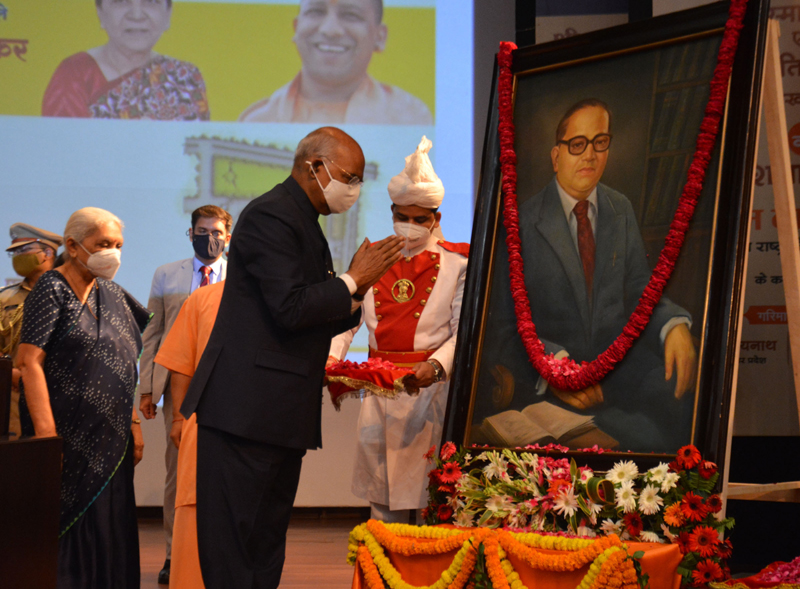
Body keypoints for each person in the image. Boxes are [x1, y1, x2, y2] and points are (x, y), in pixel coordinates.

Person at [180, 126, 404, 588]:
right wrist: (351, 280)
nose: (354, 190)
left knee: (264, 546)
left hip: (276, 413)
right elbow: (290, 307)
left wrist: (358, 289)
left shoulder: (304, 220)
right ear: (314, 167)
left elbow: (311, 317)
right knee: (236, 548)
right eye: (350, 177)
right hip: (247, 412)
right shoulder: (272, 215)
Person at [480, 98, 697, 452]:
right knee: (622, 441)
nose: (590, 155)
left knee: (677, 401)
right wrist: (556, 371)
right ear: (556, 157)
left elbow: (641, 289)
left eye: (600, 142)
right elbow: (502, 327)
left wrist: (673, 325)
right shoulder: (520, 223)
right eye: (578, 144)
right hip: (550, 381)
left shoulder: (620, 208)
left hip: (619, 370)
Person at [328, 136, 468, 523]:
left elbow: (463, 334)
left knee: (429, 502)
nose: (410, 226)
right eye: (403, 217)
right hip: (379, 392)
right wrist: (331, 359)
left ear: (436, 218)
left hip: (429, 393)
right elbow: (348, 320)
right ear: (392, 212)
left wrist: (436, 367)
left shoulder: (458, 263)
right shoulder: (372, 256)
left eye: (420, 220)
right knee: (381, 502)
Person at [16, 207, 150, 588]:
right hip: (66, 440)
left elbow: (125, 362)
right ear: (73, 246)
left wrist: (133, 422)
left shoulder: (113, 293)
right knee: (68, 536)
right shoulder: (51, 289)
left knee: (111, 531)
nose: (113, 253)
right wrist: (47, 440)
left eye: (118, 245)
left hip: (112, 441)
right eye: (103, 244)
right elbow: (29, 362)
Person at [138, 203, 231, 585]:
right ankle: (173, 554)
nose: (209, 238)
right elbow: (153, 333)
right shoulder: (166, 274)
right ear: (190, 234)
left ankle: (218, 553)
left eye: (217, 232)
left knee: (224, 471)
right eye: (202, 232)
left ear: (228, 236)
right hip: (179, 383)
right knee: (178, 472)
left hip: (226, 386)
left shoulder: (241, 277)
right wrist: (146, 387)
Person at [238, 0, 432, 125]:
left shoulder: (410, 119)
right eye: (316, 11)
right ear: (296, 28)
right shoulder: (258, 121)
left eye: (350, 15)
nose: (330, 30)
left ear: (380, 37)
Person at [153, 280, 224, 589]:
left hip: (255, 426)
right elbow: (182, 363)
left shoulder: (280, 298)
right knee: (194, 506)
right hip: (203, 420)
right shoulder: (203, 298)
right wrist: (180, 419)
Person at [42, 0, 209, 120]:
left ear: (168, 14)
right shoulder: (75, 73)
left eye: (151, 1)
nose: (136, 15)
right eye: (121, 1)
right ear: (100, 12)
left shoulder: (185, 77)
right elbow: (61, 151)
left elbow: (196, 153)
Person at [0, 223, 62, 438]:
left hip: (62, 398)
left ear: (48, 253)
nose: (18, 256)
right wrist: (10, 374)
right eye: (14, 252)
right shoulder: (4, 299)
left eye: (24, 250)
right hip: (14, 401)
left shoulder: (71, 295)